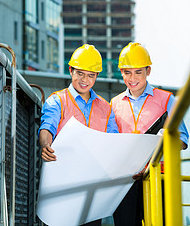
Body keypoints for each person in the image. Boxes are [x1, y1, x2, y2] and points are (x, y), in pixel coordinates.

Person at [38, 44, 119, 226]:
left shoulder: (106, 108)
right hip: (63, 184)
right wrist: (45, 146)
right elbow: (47, 128)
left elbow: (113, 141)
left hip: (93, 186)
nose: (85, 80)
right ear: (71, 70)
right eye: (80, 73)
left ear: (97, 76)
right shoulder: (57, 100)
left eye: (91, 75)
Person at [111, 42, 189, 226]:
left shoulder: (166, 100)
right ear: (121, 72)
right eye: (127, 72)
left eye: (138, 72)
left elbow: (183, 140)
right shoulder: (114, 104)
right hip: (126, 181)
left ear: (148, 71)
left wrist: (164, 141)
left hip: (158, 177)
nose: (132, 78)